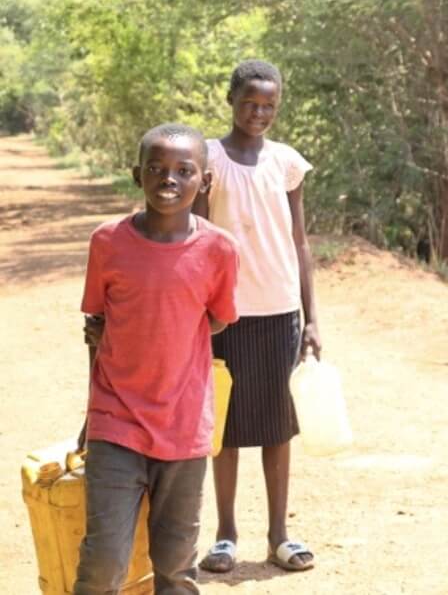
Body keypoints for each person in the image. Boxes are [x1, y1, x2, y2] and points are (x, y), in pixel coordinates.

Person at [76, 124, 239, 595]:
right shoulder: (107, 243)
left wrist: (174, 333)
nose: (169, 179)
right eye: (157, 169)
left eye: (184, 171)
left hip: (184, 428)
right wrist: (91, 411)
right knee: (104, 562)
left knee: (175, 565)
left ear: (204, 182)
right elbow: (97, 328)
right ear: (136, 175)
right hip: (116, 421)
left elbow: (218, 319)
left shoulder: (219, 250)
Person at [195, 59, 320, 574]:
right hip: (224, 315)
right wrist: (195, 312)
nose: (259, 112)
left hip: (280, 310)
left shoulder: (287, 163)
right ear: (230, 99)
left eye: (269, 105)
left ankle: (279, 535)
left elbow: (300, 241)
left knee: (276, 426)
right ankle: (225, 534)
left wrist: (312, 319)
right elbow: (196, 238)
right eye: (250, 103)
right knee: (224, 426)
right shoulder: (207, 158)